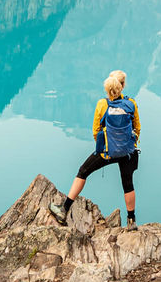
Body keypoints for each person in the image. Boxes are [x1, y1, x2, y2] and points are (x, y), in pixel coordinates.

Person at [49, 70, 140, 231]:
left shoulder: (102, 104)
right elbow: (137, 128)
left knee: (83, 171)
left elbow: (96, 130)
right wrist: (126, 144)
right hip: (128, 152)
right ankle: (131, 221)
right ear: (123, 85)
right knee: (128, 184)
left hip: (107, 151)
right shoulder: (131, 103)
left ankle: (64, 210)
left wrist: (105, 147)